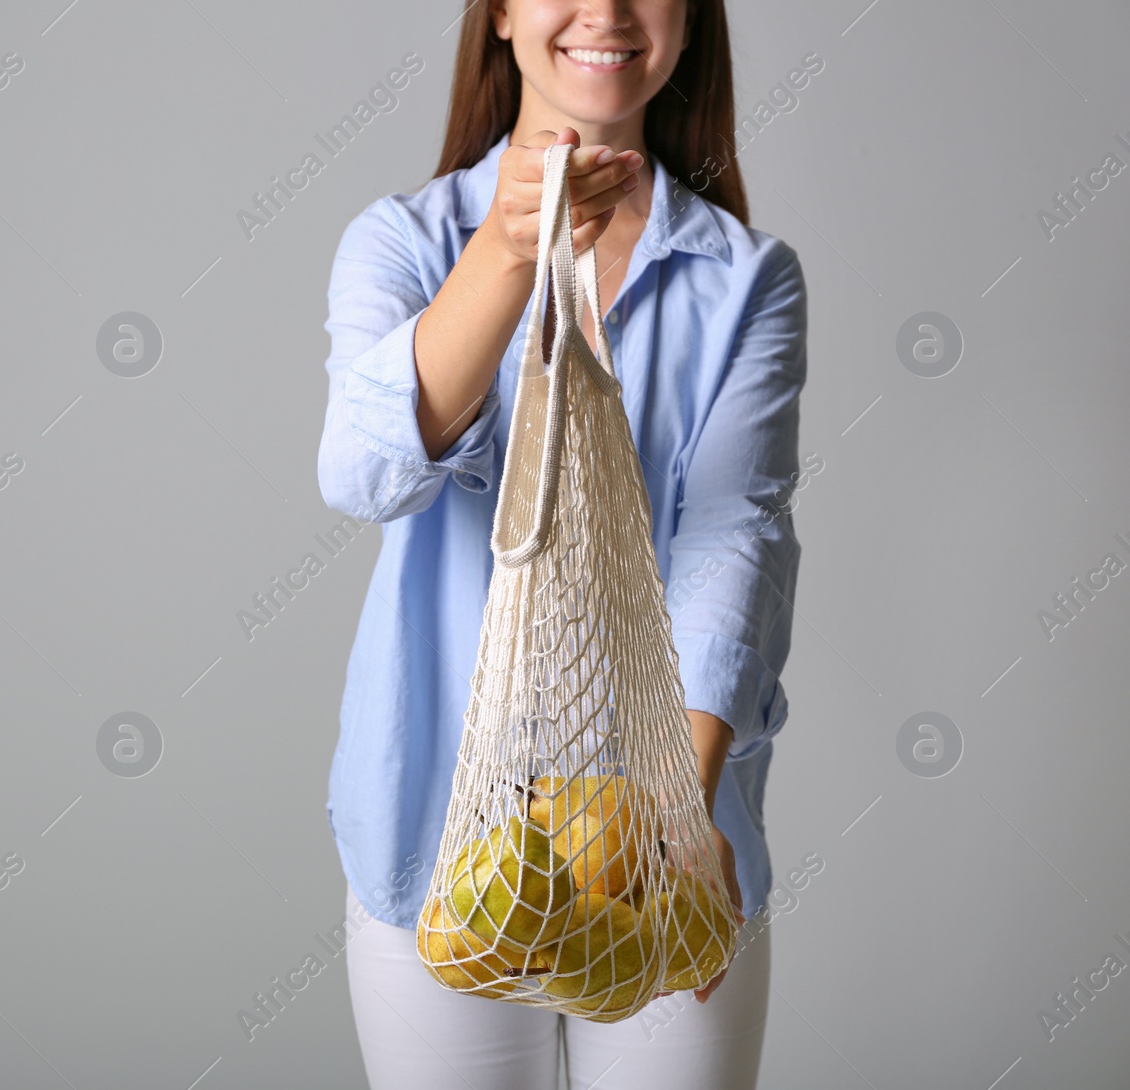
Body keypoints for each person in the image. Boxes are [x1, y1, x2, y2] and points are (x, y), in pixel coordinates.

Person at [315, 1, 807, 1087]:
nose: (609, 12)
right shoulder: (403, 241)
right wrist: (505, 248)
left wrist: (676, 813)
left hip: (671, 843)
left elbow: (739, 532)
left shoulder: (745, 280)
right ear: (498, 10)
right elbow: (361, 473)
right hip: (433, 832)